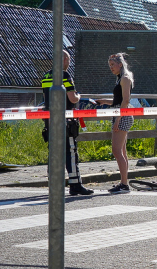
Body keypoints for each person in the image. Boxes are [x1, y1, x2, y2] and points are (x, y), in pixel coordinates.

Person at [41, 49, 94, 196]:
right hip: (66, 120)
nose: (69, 63)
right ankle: (75, 185)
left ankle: (54, 185)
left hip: (50, 121)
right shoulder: (64, 75)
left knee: (53, 152)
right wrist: (79, 96)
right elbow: (72, 98)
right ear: (64, 59)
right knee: (70, 152)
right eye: (69, 60)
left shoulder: (46, 75)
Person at [97, 53, 135, 194]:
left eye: (113, 65)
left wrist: (118, 119)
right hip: (119, 112)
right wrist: (104, 101)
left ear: (120, 64)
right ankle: (124, 182)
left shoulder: (125, 78)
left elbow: (125, 101)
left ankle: (124, 184)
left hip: (122, 114)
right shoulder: (121, 78)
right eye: (109, 65)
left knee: (116, 150)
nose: (111, 68)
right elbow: (117, 101)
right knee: (122, 151)